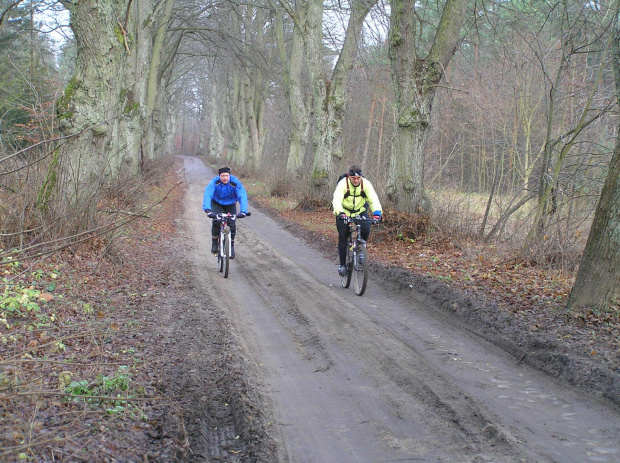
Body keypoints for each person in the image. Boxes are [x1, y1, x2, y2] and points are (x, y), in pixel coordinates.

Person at [332, 164, 383, 276]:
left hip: (360, 211)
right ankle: (342, 265)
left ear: (361, 177)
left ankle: (361, 247)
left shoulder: (366, 184)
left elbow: (373, 199)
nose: (356, 181)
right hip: (344, 212)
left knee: (366, 227)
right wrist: (340, 213)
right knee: (343, 235)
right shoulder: (343, 184)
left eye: (358, 178)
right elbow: (336, 200)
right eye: (353, 178)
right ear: (349, 177)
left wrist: (377, 213)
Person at [203, 165, 249, 259]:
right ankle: (215, 244)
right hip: (217, 203)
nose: (225, 178)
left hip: (230, 204)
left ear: (229, 175)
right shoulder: (214, 182)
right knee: (217, 220)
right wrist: (208, 210)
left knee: (232, 224)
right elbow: (208, 194)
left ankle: (231, 246)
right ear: (219, 176)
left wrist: (243, 211)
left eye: (226, 176)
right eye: (222, 176)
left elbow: (242, 195)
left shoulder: (235, 182)